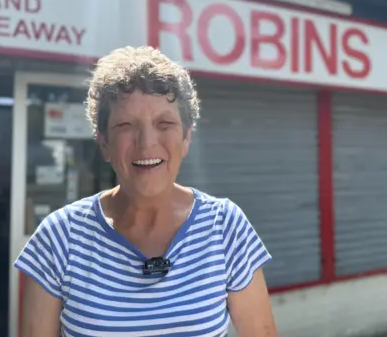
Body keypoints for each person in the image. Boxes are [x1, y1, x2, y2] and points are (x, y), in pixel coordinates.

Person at [14, 46, 277, 337]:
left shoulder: (225, 227)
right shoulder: (58, 238)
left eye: (165, 123)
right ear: (103, 142)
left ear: (186, 138)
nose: (146, 142)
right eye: (126, 125)